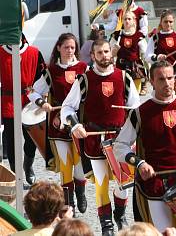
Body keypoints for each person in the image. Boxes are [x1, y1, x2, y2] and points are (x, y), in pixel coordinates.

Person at [114, 60, 176, 235]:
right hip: (154, 185)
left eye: (170, 78)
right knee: (163, 233)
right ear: (151, 81)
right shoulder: (139, 113)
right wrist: (139, 163)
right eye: (161, 79)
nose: (167, 83)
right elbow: (119, 147)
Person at [61, 39, 140, 236]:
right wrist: (75, 124)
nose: (104, 56)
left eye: (106, 51)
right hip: (95, 140)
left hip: (121, 139)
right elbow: (67, 107)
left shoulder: (124, 77)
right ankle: (107, 227)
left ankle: (120, 214)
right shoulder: (84, 80)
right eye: (100, 53)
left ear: (111, 52)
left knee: (124, 183)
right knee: (101, 182)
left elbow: (137, 109)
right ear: (93, 55)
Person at [28, 33, 88, 214]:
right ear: (58, 48)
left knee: (79, 165)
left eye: (72, 47)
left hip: (80, 123)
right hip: (57, 125)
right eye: (66, 47)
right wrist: (42, 103)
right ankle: (68, 204)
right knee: (66, 164)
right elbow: (33, 92)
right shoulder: (51, 71)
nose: (70, 51)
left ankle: (81, 192)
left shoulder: (84, 68)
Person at [0, 35, 46, 184]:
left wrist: (42, 98)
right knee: (11, 140)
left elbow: (42, 78)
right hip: (8, 101)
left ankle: (28, 166)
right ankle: (15, 172)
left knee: (31, 139)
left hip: (29, 100)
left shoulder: (34, 52)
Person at [110, 11, 147, 92]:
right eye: (125, 19)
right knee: (121, 93)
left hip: (135, 68)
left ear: (134, 20)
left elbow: (145, 54)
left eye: (129, 19)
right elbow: (110, 53)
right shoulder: (116, 35)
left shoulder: (139, 36)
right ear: (122, 21)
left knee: (135, 94)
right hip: (120, 67)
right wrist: (113, 52)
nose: (127, 21)